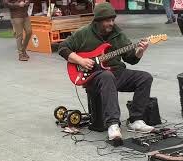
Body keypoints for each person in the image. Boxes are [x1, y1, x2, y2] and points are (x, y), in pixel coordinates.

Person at [58, 2, 156, 142]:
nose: (111, 23)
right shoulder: (84, 33)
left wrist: (140, 51)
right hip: (93, 76)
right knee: (107, 76)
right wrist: (80, 60)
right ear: (97, 21)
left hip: (117, 73)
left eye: (112, 20)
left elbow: (131, 59)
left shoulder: (118, 34)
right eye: (107, 21)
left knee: (145, 78)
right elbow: (62, 48)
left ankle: (135, 120)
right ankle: (113, 125)